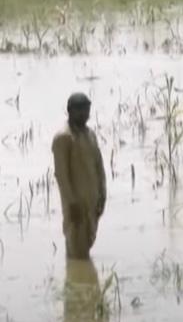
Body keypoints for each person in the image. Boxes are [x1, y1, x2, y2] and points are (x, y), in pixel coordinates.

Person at [52, 93, 106, 261]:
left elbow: (99, 167)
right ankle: (76, 283)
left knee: (86, 248)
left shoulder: (89, 134)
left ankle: (83, 282)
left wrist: (103, 194)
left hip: (92, 201)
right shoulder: (63, 137)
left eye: (87, 110)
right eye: (80, 110)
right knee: (75, 251)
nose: (84, 114)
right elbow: (61, 175)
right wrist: (71, 203)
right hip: (75, 204)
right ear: (69, 111)